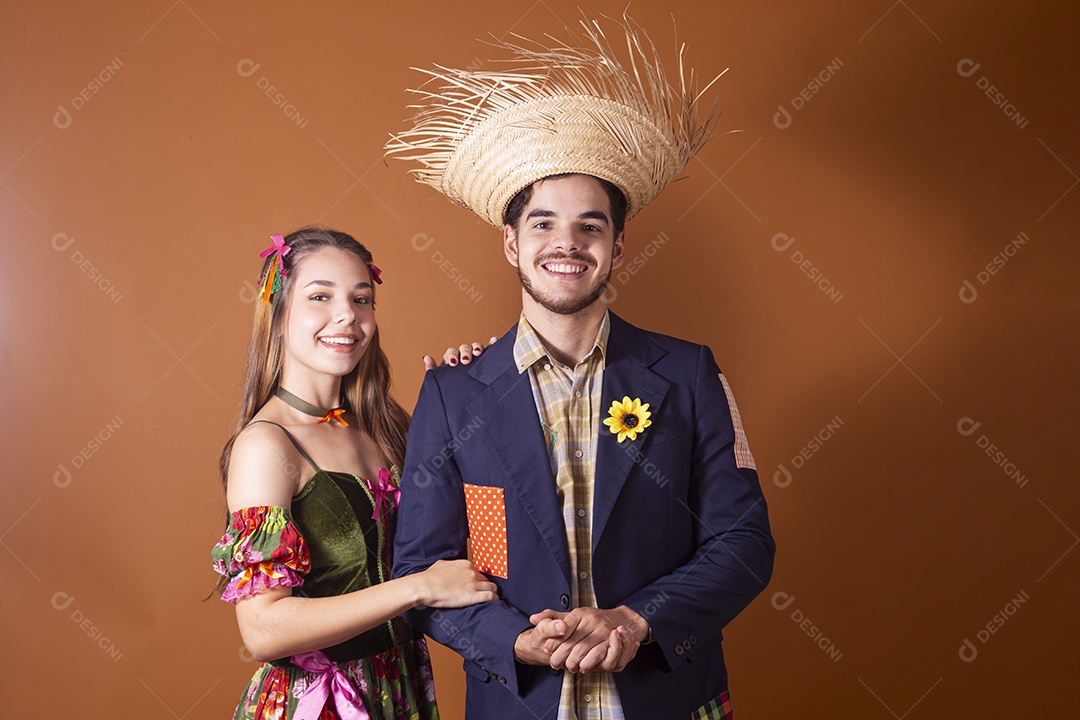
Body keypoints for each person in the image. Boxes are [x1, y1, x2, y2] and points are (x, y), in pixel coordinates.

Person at [385, 17, 776, 720]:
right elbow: (420, 572)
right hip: (519, 704)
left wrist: (639, 619)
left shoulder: (688, 376)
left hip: (666, 701)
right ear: (511, 241)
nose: (566, 242)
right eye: (543, 222)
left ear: (618, 248)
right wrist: (513, 640)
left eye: (590, 225)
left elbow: (744, 544)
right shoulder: (451, 393)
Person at [211, 226, 499, 720]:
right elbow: (262, 630)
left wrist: (471, 391)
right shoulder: (266, 445)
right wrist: (418, 587)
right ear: (278, 317)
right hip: (319, 704)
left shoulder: (384, 426)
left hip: (400, 686)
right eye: (320, 296)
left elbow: (478, 520)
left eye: (361, 298)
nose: (347, 315)